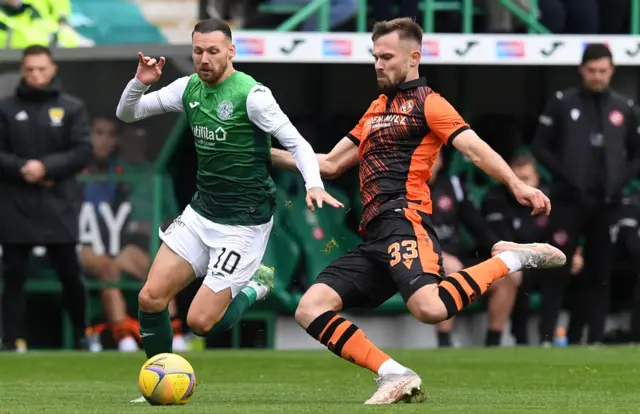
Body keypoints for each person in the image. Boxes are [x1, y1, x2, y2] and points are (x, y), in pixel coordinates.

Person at [270, 17, 566, 405]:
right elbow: (327, 165)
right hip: (375, 235)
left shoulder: (431, 103)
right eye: (375, 57)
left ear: (414, 57)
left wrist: (517, 184)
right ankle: (394, 374)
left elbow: (474, 149)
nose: (378, 64)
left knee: (430, 309)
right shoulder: (375, 109)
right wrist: (262, 153)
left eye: (387, 57)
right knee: (310, 308)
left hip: (405, 222)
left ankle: (511, 258)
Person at [116, 18, 341, 401]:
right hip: (201, 214)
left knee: (201, 322)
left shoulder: (253, 95)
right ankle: (160, 380)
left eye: (213, 51)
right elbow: (127, 113)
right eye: (198, 51)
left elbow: (298, 144)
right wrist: (140, 81)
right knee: (150, 298)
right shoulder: (187, 88)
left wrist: (313, 185)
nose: (204, 59)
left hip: (244, 224)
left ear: (231, 51)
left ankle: (258, 285)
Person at [532, 43, 640, 346]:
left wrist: (620, 179)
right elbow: (540, 147)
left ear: (612, 70)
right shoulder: (563, 103)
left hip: (607, 203)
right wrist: (565, 175)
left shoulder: (624, 107)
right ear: (582, 70)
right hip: (567, 201)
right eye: (592, 70)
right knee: (557, 266)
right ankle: (545, 338)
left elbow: (636, 153)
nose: (597, 76)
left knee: (600, 271)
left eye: (603, 71)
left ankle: (593, 339)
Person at [0, 45, 92, 351]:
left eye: (42, 69)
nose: (36, 75)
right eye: (30, 69)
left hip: (58, 204)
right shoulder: (6, 108)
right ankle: (10, 340)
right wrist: (22, 167)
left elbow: (82, 151)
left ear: (52, 69)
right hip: (16, 204)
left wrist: (47, 167)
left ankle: (81, 335)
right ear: (22, 71)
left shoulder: (71, 107)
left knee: (70, 274)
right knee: (14, 275)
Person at [79, 116, 187, 352]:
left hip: (131, 244)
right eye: (128, 138)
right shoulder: (110, 169)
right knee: (108, 268)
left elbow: (172, 217)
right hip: (91, 242)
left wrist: (152, 226)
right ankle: (123, 337)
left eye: (139, 139)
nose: (133, 144)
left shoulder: (155, 174)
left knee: (156, 270)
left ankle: (173, 332)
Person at [481, 153, 584, 345]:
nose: (522, 185)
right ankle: (521, 340)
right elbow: (499, 242)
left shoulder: (548, 200)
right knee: (520, 274)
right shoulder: (495, 199)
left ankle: (558, 338)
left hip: (544, 262)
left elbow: (561, 235)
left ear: (536, 178)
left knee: (570, 269)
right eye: (517, 179)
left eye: (526, 179)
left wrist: (574, 253)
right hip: (511, 262)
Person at [428, 152, 519, 348]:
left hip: (458, 256)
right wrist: (438, 256)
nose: (429, 161)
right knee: (451, 270)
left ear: (441, 160)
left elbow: (477, 224)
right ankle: (444, 343)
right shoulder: (404, 189)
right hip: (420, 262)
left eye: (434, 156)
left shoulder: (452, 186)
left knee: (506, 276)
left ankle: (493, 344)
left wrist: (499, 249)